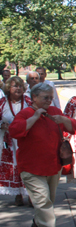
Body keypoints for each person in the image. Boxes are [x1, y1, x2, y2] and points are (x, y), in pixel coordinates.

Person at [9, 83, 76, 227]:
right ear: (34, 98)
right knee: (42, 199)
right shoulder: (25, 114)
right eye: (45, 98)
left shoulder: (55, 112)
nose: (49, 101)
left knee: (49, 199)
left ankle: (38, 221)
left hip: (53, 165)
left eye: (51, 98)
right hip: (31, 167)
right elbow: (15, 131)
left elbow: (72, 127)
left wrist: (63, 119)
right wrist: (34, 117)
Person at [0, 77, 31, 206]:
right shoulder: (2, 102)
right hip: (8, 141)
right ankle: (17, 193)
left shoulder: (28, 101)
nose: (18, 89)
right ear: (8, 88)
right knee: (14, 166)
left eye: (20, 86)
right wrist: (2, 124)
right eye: (14, 86)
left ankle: (31, 195)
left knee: (28, 166)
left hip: (26, 139)